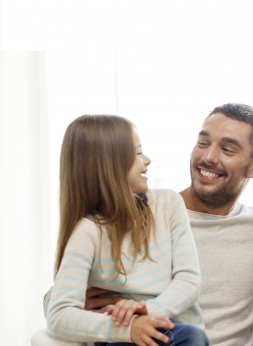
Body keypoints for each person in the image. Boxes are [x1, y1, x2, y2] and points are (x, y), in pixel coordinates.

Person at [45, 103, 253, 346]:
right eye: (203, 143)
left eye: (227, 149)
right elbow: (58, 304)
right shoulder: (148, 214)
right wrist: (88, 306)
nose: (208, 157)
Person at [46, 115, 208, 346]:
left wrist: (147, 312)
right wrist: (129, 329)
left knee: (192, 336)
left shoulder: (168, 204)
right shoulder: (88, 232)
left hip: (173, 331)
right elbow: (59, 315)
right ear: (108, 165)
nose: (147, 160)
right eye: (138, 152)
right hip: (120, 337)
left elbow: (189, 279)